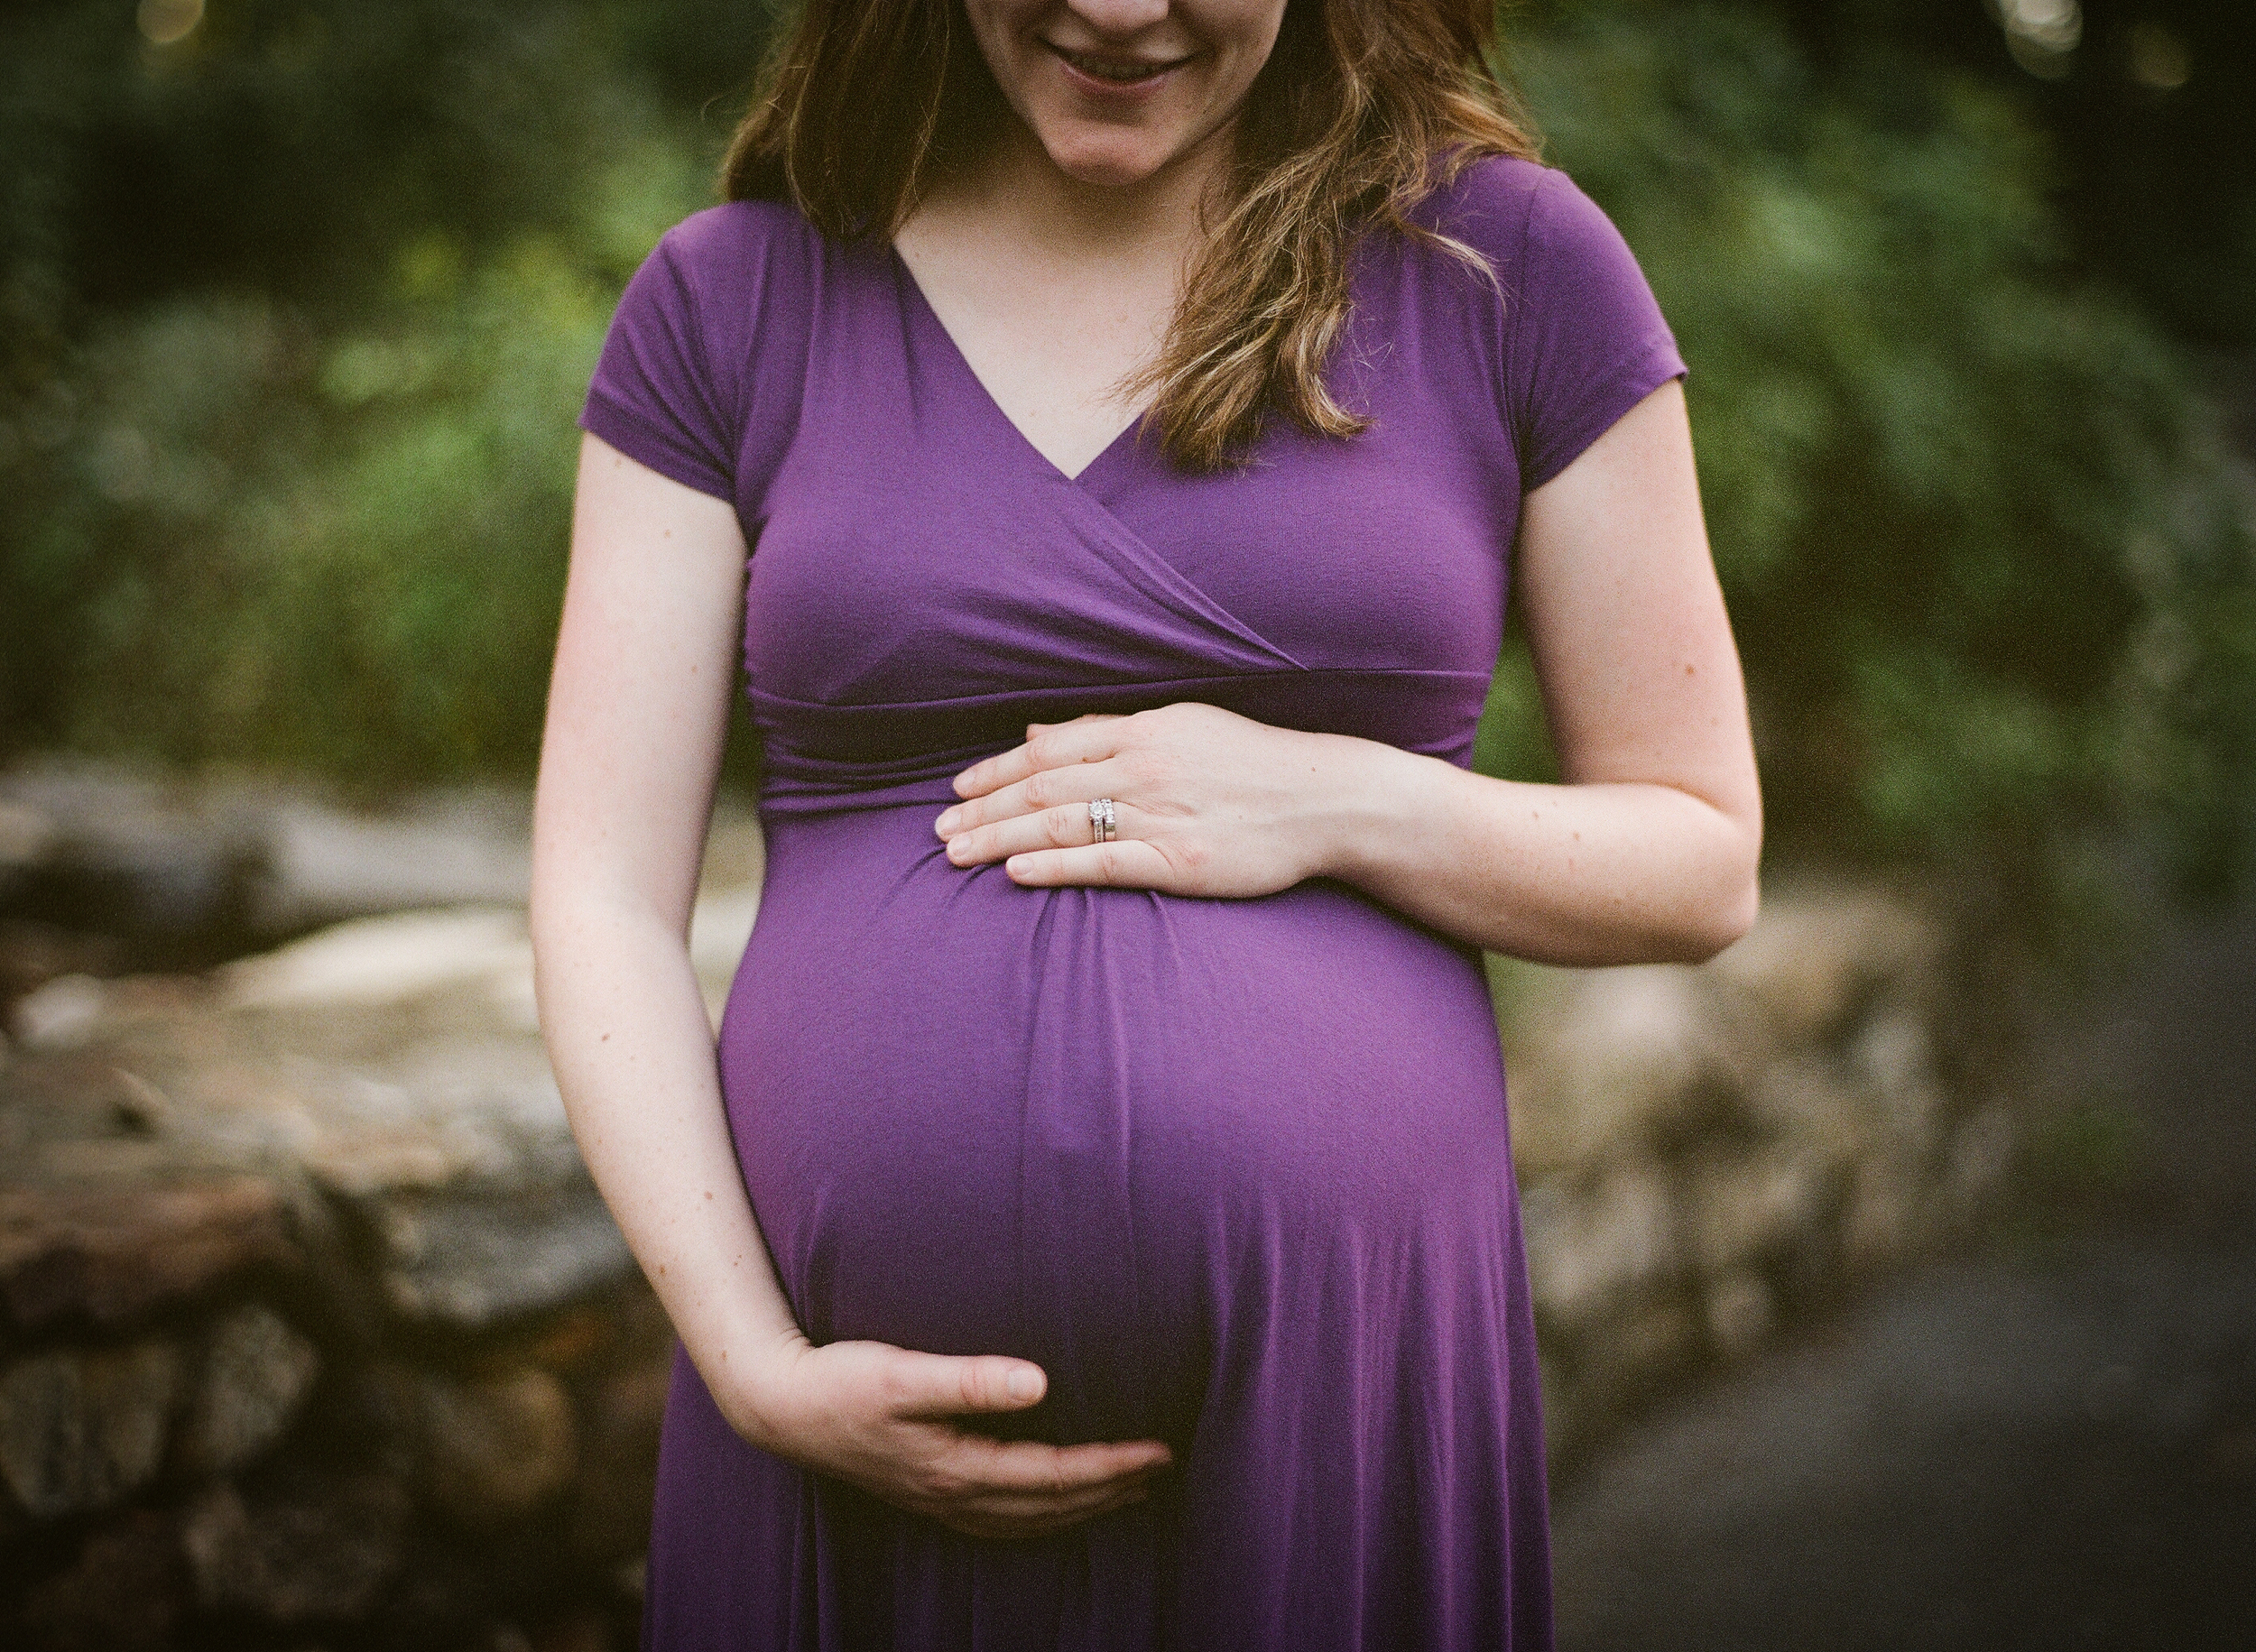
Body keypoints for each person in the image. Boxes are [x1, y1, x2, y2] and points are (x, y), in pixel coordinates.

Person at [529, 0, 1761, 1646]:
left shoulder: (1504, 267)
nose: (1119, 8)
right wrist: (751, 1363)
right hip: (829, 1424)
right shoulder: (737, 296)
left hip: (1337, 1413)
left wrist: (1331, 796)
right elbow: (601, 892)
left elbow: (1701, 857)